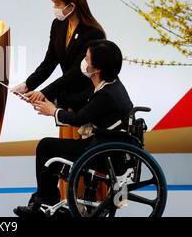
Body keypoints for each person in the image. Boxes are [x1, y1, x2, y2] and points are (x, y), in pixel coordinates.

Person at [14, 40, 133, 217]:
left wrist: (53, 112)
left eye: (86, 58)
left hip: (103, 153)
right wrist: (46, 99)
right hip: (105, 146)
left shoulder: (106, 95)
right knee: (51, 147)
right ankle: (47, 201)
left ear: (96, 69)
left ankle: (44, 202)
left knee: (46, 146)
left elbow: (79, 118)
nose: (83, 62)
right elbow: (79, 100)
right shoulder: (110, 84)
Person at [12, 0, 106, 103]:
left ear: (71, 6)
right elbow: (50, 61)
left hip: (86, 96)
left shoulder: (93, 33)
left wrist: (44, 93)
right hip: (66, 92)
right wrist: (28, 84)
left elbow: (77, 71)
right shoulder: (58, 25)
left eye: (57, 4)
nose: (54, 8)